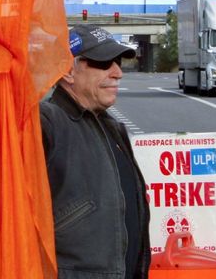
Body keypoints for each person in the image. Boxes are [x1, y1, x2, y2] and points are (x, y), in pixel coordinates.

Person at [40, 24, 151, 278]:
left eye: (118, 62)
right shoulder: (49, 120)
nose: (118, 72)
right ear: (68, 71)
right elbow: (13, 135)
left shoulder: (108, 124)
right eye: (104, 63)